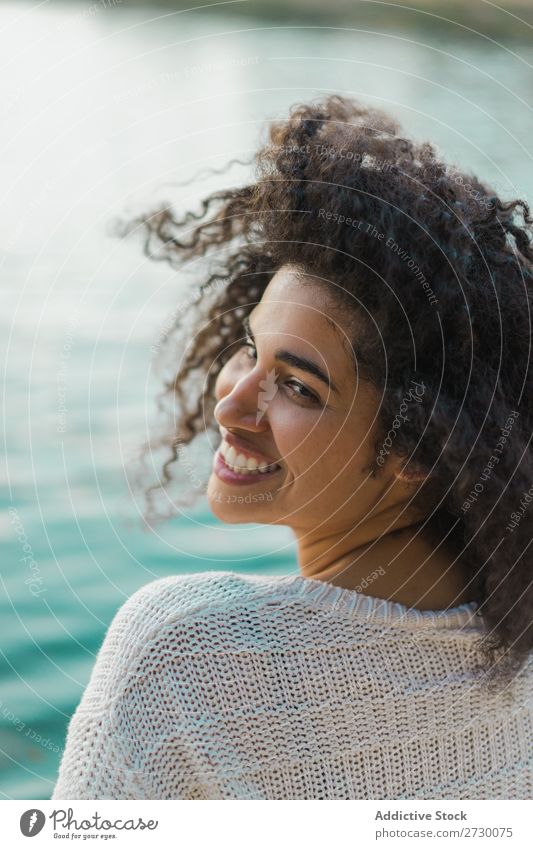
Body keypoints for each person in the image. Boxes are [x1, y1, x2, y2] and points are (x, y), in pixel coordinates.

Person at [52, 95, 533, 800]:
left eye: (298, 386)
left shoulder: (182, 654)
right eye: (249, 348)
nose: (231, 401)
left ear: (415, 450)